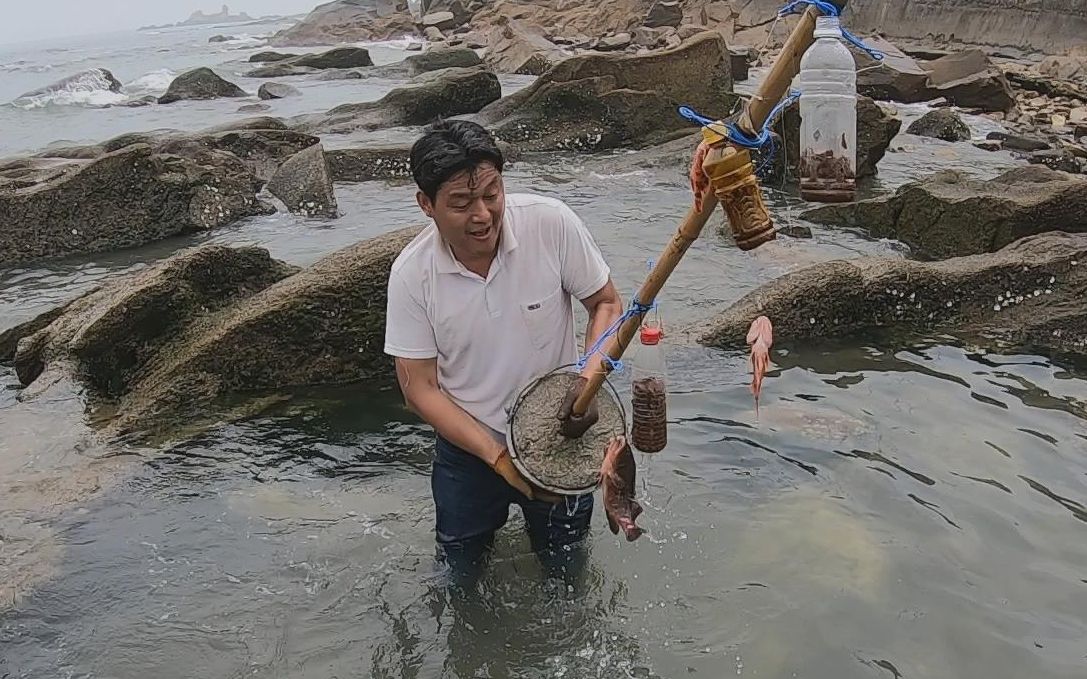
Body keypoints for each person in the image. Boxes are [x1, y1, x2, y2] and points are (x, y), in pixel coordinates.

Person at [383, 119, 624, 589]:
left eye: (491, 194)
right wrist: (497, 458)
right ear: (426, 205)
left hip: (560, 436)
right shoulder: (412, 275)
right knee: (459, 576)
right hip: (468, 449)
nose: (483, 215)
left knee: (568, 575)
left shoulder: (549, 222)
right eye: (461, 203)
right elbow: (418, 387)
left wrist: (588, 379)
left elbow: (606, 303)